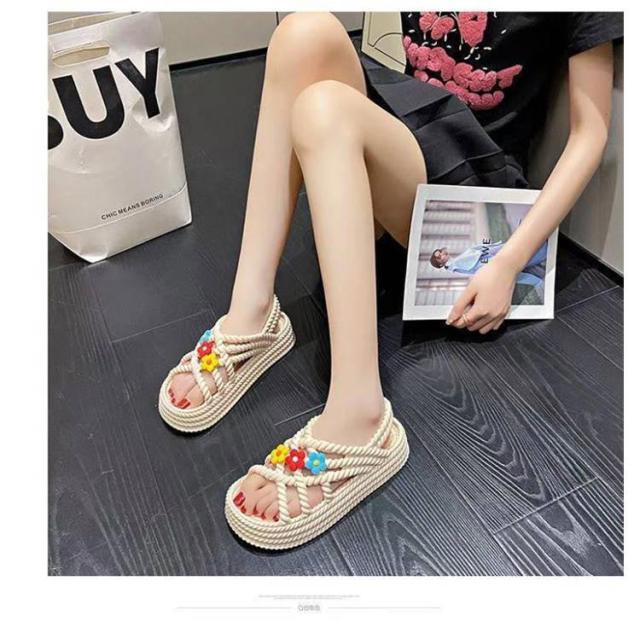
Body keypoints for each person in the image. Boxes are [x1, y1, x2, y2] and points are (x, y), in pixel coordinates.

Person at [158, 12, 622, 546]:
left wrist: (509, 261)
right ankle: (251, 311)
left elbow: (591, 135)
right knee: (300, 33)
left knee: (323, 109)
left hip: (473, 190)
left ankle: (360, 413)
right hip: (417, 128)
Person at [430, 240, 548, 287]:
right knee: (518, 260)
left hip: (492, 259)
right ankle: (542, 251)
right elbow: (477, 265)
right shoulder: (456, 264)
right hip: (494, 262)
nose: (442, 254)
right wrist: (493, 259)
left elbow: (477, 259)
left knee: (519, 260)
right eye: (439, 257)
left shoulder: (455, 263)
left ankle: (541, 251)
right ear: (440, 264)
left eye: (440, 252)